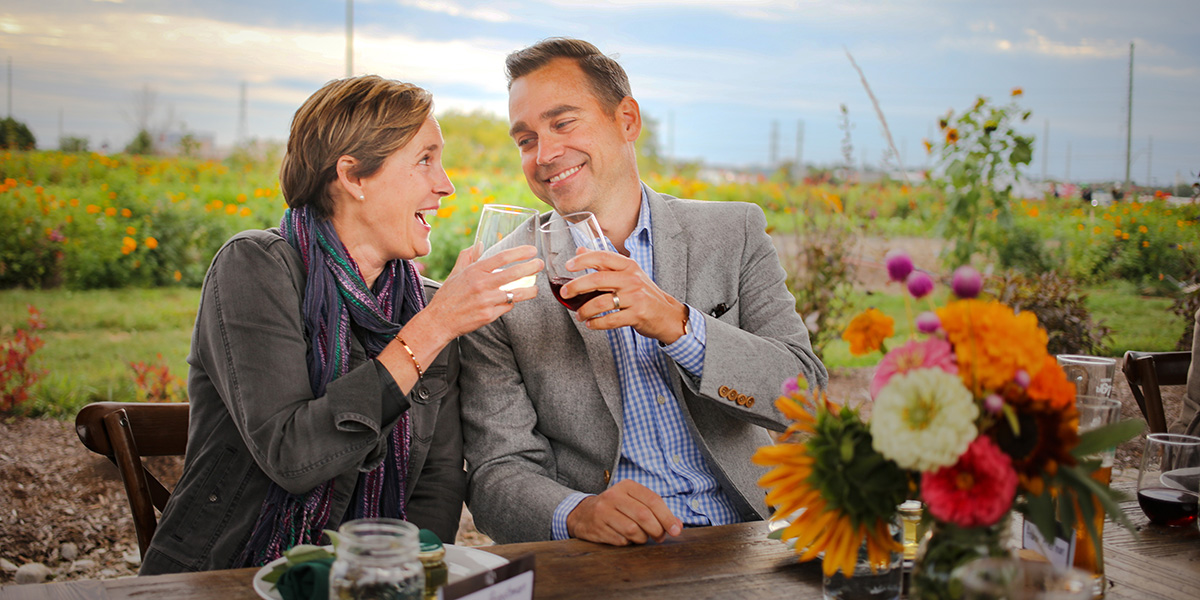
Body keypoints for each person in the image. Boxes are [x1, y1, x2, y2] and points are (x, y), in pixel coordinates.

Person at [140, 75, 542, 574]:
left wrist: (397, 578)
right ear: (352, 177)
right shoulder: (255, 267)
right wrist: (433, 328)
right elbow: (292, 456)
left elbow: (436, 483)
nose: (446, 185)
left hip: (373, 581)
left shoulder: (429, 305)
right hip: (228, 575)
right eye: (424, 160)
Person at [458, 38, 827, 546]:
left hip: (749, 537)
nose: (544, 154)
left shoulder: (733, 233)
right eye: (525, 139)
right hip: (604, 556)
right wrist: (577, 513)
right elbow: (495, 474)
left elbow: (804, 394)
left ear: (627, 119)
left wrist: (678, 325)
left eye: (563, 123)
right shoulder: (504, 277)